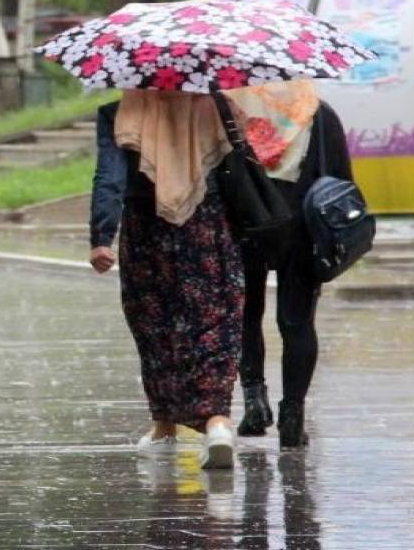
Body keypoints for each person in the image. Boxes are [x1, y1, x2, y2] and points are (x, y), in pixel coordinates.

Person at [88, 90, 242, 470]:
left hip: (146, 230)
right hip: (209, 226)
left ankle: (165, 427)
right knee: (214, 322)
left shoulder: (119, 112)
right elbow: (240, 169)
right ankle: (217, 422)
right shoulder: (217, 106)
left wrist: (101, 237)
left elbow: (109, 176)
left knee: (156, 326)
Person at [230, 82, 353, 448]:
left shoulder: (230, 112)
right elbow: (341, 181)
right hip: (302, 229)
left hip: (244, 226)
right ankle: (292, 418)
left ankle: (254, 404)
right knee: (297, 322)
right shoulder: (318, 111)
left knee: (245, 316)